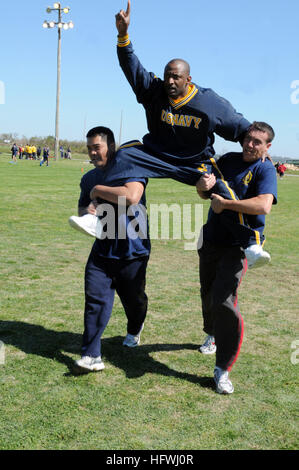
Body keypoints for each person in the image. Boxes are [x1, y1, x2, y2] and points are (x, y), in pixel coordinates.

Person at [196, 122, 277, 394]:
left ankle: (222, 370)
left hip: (238, 248)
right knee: (207, 295)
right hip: (210, 240)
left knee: (224, 300)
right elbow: (205, 192)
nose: (250, 145)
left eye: (257, 142)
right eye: (248, 139)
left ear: (267, 147)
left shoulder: (264, 168)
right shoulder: (227, 160)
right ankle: (212, 333)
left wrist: (226, 204)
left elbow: (264, 204)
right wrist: (202, 185)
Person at [69, 126, 151, 373]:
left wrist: (98, 192)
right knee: (95, 299)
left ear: (111, 147)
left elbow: (132, 196)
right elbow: (83, 208)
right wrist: (88, 211)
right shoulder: (89, 179)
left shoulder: (131, 167)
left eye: (97, 147)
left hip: (133, 250)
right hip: (103, 249)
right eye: (90, 148)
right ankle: (92, 355)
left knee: (134, 301)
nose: (93, 153)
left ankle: (135, 328)